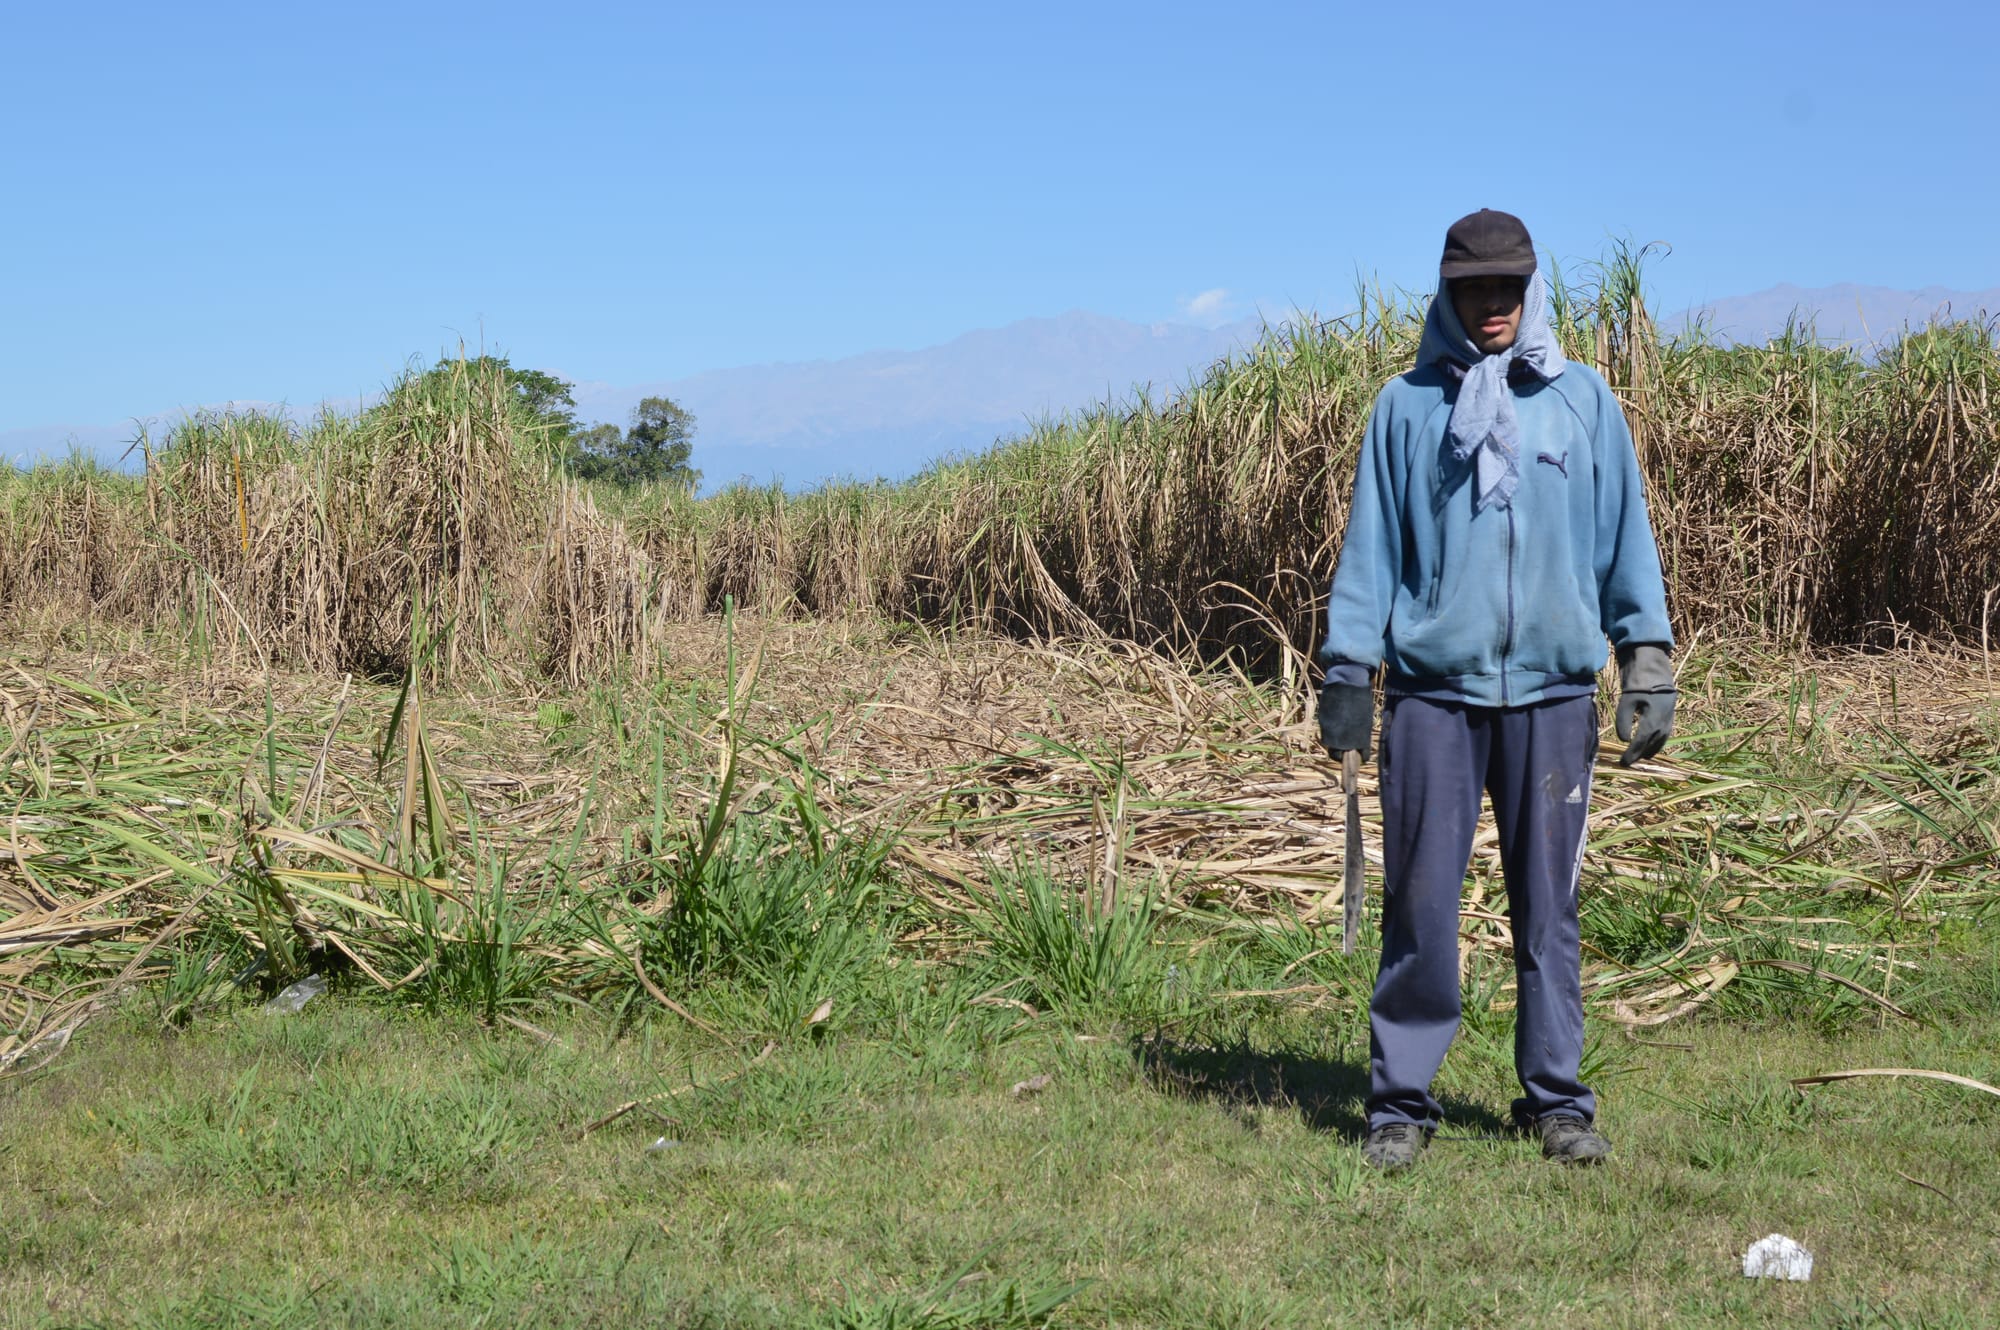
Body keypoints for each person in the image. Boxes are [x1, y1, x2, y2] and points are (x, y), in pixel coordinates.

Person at [1316, 208, 1675, 1170]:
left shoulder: (1582, 402)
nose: (1493, 307)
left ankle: (1557, 1101)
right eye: (1476, 289)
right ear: (1448, 293)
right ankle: (1402, 1102)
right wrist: (1348, 670)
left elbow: (1623, 534)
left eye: (1508, 288)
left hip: (1555, 696)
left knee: (1549, 906)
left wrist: (1645, 654)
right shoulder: (1405, 408)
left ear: (1531, 290)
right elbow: (1371, 548)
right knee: (1422, 902)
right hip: (1433, 696)